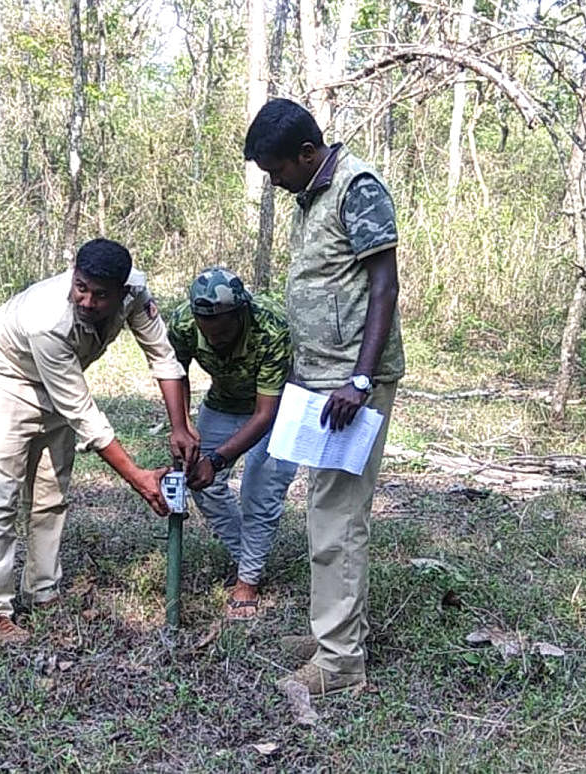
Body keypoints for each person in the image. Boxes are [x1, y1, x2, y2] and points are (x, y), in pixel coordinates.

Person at [244, 98, 405, 695]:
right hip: (320, 379)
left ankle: (339, 666)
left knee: (337, 517)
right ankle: (334, 632)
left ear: (308, 155)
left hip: (351, 386)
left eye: (278, 171)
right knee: (324, 510)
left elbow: (384, 284)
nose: (275, 182)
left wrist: (360, 380)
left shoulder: (357, 188)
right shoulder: (312, 195)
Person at [0, 238, 198, 644]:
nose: (88, 301)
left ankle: (42, 591)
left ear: (122, 291)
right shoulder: (47, 321)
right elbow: (84, 415)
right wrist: (138, 478)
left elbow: (162, 356)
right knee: (0, 497)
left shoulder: (135, 293)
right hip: (7, 383)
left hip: (57, 386)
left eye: (100, 295)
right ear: (73, 275)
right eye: (81, 287)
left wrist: (180, 425)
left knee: (50, 495)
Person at [166, 267, 297, 619]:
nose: (217, 339)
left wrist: (218, 459)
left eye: (225, 330)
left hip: (276, 409)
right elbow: (174, 374)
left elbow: (264, 414)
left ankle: (248, 581)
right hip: (223, 402)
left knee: (260, 489)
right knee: (201, 483)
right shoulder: (181, 323)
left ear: (241, 313)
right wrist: (182, 426)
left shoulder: (271, 328)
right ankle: (248, 556)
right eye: (209, 332)